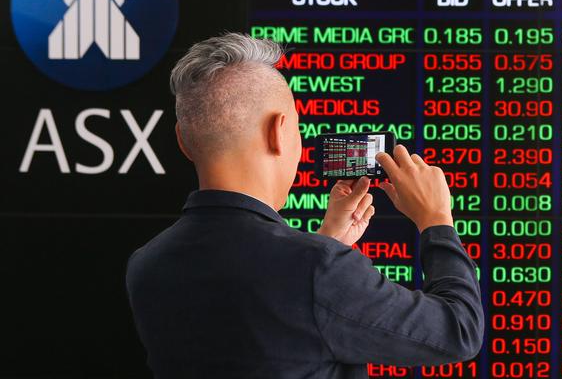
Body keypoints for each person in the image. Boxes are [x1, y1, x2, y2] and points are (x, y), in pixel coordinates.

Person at [125, 33, 483, 378]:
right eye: (298, 127)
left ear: (183, 142)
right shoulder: (316, 269)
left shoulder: (147, 265)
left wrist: (326, 244)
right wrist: (436, 219)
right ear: (278, 131)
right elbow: (459, 331)